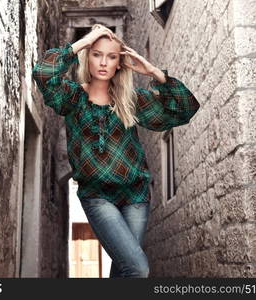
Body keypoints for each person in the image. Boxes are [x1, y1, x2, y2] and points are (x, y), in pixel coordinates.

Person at [32, 24, 200, 278]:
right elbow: (44, 73)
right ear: (88, 56)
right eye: (97, 54)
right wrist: (87, 39)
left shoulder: (130, 100)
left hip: (136, 196)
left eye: (111, 57)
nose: (103, 62)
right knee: (138, 268)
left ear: (119, 64)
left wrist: (153, 72)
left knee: (123, 269)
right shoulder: (73, 98)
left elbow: (185, 108)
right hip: (98, 196)